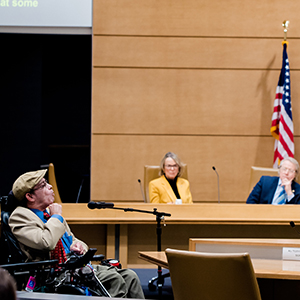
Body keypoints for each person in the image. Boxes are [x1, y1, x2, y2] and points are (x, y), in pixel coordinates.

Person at [8, 169, 144, 298]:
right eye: (43, 185)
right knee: (114, 280)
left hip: (74, 266)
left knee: (130, 276)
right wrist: (56, 218)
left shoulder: (49, 213)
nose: (50, 186)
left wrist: (78, 247)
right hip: (52, 274)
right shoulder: (20, 217)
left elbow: (74, 240)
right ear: (30, 196)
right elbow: (46, 242)